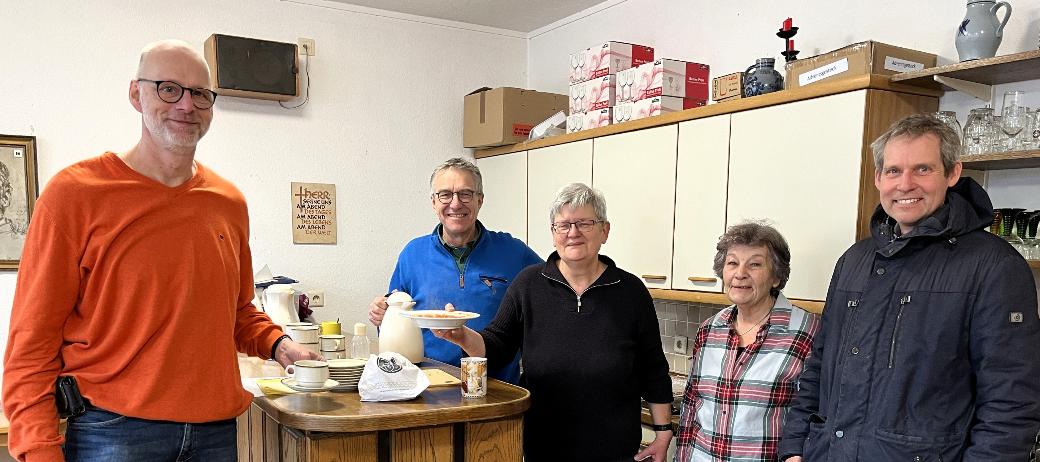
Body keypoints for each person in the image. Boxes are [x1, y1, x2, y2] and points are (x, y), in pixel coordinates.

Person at [2, 39, 320, 462]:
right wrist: (38, 450)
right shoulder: (73, 195)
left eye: (200, 94)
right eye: (168, 89)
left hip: (216, 433)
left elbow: (238, 311)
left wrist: (281, 346)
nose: (186, 105)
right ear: (136, 93)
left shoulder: (227, 202)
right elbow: (32, 342)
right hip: (112, 432)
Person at [777, 114, 1040, 461]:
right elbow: (820, 364)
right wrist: (794, 447)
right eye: (893, 171)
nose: (905, 184)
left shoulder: (995, 267)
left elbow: (1011, 402)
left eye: (923, 169)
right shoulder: (855, 260)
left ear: (952, 173)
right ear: (878, 178)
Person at [433, 183, 674, 462]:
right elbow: (496, 345)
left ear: (604, 231)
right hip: (544, 447)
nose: (573, 233)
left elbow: (653, 367)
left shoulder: (631, 291)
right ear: (553, 234)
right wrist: (461, 335)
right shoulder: (528, 284)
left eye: (584, 223)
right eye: (564, 225)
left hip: (616, 449)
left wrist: (664, 430)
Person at [367, 157, 541, 383]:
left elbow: (553, 287)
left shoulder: (514, 252)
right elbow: (395, 316)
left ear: (480, 200)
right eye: (445, 195)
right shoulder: (413, 254)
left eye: (465, 194)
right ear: (433, 202)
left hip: (499, 389)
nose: (456, 203)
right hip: (428, 387)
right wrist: (382, 313)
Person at [674, 221, 820, 462]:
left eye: (754, 264)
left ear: (776, 276)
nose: (740, 273)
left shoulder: (806, 331)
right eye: (732, 263)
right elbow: (691, 406)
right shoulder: (710, 330)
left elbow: (814, 413)